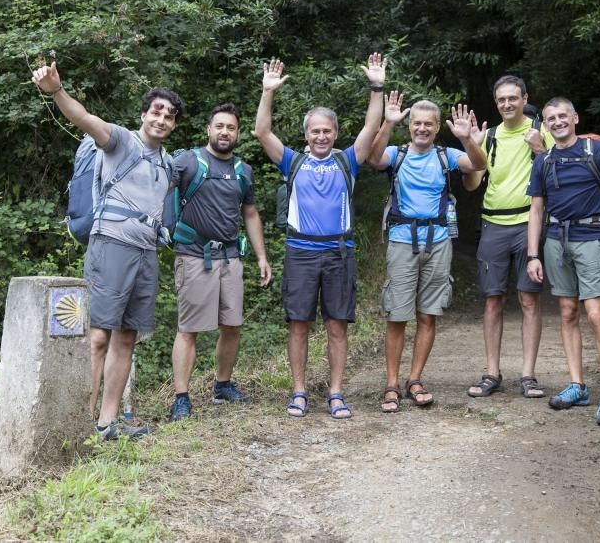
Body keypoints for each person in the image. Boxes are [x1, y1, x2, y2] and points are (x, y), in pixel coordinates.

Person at [32, 62, 183, 440]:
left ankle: (107, 423)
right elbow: (83, 118)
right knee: (98, 336)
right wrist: (56, 91)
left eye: (169, 116)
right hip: (110, 246)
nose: (161, 119)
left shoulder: (167, 163)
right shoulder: (120, 140)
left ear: (174, 125)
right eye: (156, 111)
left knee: (127, 337)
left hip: (145, 253)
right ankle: (80, 422)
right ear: (143, 115)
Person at [253, 54, 385, 419]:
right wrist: (268, 92)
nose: (321, 136)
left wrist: (377, 87)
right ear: (306, 134)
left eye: (327, 130)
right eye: (315, 131)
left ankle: (336, 393)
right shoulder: (292, 161)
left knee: (336, 325)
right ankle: (298, 392)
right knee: (298, 324)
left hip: (339, 253)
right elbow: (262, 131)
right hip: (300, 252)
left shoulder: (348, 161)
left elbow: (372, 128)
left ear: (335, 133)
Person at [366, 93, 487, 412]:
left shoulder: (446, 155)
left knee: (428, 313)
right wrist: (387, 124)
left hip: (438, 241)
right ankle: (391, 384)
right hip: (402, 240)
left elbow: (478, 165)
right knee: (397, 314)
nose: (422, 129)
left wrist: (467, 139)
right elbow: (373, 159)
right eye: (417, 123)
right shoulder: (397, 153)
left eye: (428, 124)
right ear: (409, 126)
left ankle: (415, 379)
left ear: (437, 128)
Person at [525, 97, 600, 425]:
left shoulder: (597, 151)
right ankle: (578, 385)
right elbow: (536, 210)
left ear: (575, 117)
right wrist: (533, 255)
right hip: (556, 242)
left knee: (595, 312)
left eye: (563, 115)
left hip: (592, 238)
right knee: (567, 311)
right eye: (551, 118)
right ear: (545, 125)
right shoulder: (543, 161)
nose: (558, 121)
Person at [168, 103, 273, 421]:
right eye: (219, 126)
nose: (224, 132)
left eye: (231, 127)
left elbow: (250, 213)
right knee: (189, 329)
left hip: (230, 258)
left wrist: (261, 257)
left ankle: (222, 385)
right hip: (194, 256)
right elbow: (159, 191)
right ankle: (181, 397)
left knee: (233, 325)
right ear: (208, 129)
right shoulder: (186, 161)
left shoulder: (243, 170)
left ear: (238, 133)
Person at [462, 76, 551, 399]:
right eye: (501, 100)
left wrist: (541, 151)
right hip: (493, 225)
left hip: (529, 223)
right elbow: (472, 185)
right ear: (496, 102)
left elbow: (557, 176)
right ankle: (491, 373)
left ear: (524, 98)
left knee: (529, 299)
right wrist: (470, 145)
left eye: (513, 98)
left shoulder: (542, 132)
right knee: (492, 300)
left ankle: (528, 375)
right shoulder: (489, 136)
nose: (507, 105)